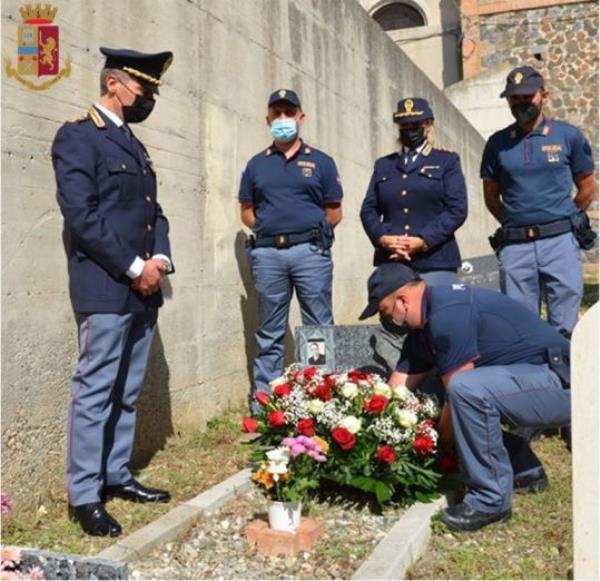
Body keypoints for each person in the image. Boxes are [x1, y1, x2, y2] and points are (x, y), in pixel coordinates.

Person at [52, 47, 175, 537]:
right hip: (106, 284)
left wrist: (160, 259)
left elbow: (155, 212)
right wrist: (133, 267)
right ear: (113, 84)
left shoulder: (134, 145)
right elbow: (81, 215)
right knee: (96, 389)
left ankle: (117, 474)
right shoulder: (79, 137)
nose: (147, 98)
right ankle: (85, 494)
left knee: (127, 390)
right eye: (143, 87)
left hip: (145, 286)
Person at [359, 262, 571, 532]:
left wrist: (438, 446)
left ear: (402, 300)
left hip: (565, 384)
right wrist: (371, 434)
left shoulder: (448, 314)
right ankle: (523, 468)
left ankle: (490, 501)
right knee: (458, 398)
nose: (386, 321)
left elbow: (457, 394)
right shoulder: (423, 324)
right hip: (534, 381)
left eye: (385, 312)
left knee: (465, 390)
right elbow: (397, 389)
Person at [239, 89, 343, 410]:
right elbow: (246, 210)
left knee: (317, 327)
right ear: (268, 119)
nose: (283, 119)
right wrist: (269, 234)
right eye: (277, 113)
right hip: (268, 255)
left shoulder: (321, 161)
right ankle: (265, 402)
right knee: (269, 330)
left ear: (301, 117)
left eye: (289, 112)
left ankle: (319, 399)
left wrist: (314, 237)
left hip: (310, 253)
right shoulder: (257, 164)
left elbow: (334, 211)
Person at [482, 65, 596, 337]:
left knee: (565, 323)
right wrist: (518, 221)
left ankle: (566, 375)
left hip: (559, 242)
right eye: (514, 97)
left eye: (527, 96)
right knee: (520, 324)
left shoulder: (568, 136)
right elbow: (491, 196)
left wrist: (566, 216)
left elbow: (587, 187)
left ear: (544, 96)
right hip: (516, 245)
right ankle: (531, 377)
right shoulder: (497, 143)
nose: (521, 102)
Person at [360, 98, 468, 286]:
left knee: (438, 312)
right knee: (395, 315)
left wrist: (423, 240)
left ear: (428, 125)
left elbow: (457, 209)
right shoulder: (384, 165)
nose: (409, 129)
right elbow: (368, 210)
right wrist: (383, 238)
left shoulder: (447, 161)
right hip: (392, 259)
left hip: (435, 260)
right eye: (404, 125)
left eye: (415, 124)